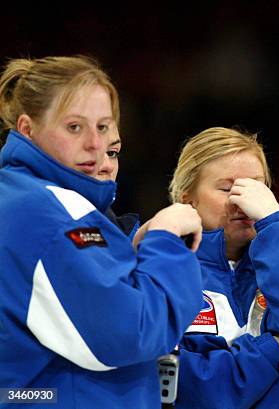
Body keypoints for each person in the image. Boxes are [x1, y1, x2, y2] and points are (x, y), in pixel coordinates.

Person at [0, 55, 204, 408]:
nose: (95, 144)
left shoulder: (23, 198)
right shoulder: (47, 211)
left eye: (104, 127)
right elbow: (132, 330)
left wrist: (129, 248)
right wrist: (167, 241)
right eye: (74, 127)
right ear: (27, 129)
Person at [166, 127, 279, 408]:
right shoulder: (160, 269)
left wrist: (274, 223)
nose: (242, 201)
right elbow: (194, 386)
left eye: (255, 188)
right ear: (188, 199)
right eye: (227, 188)